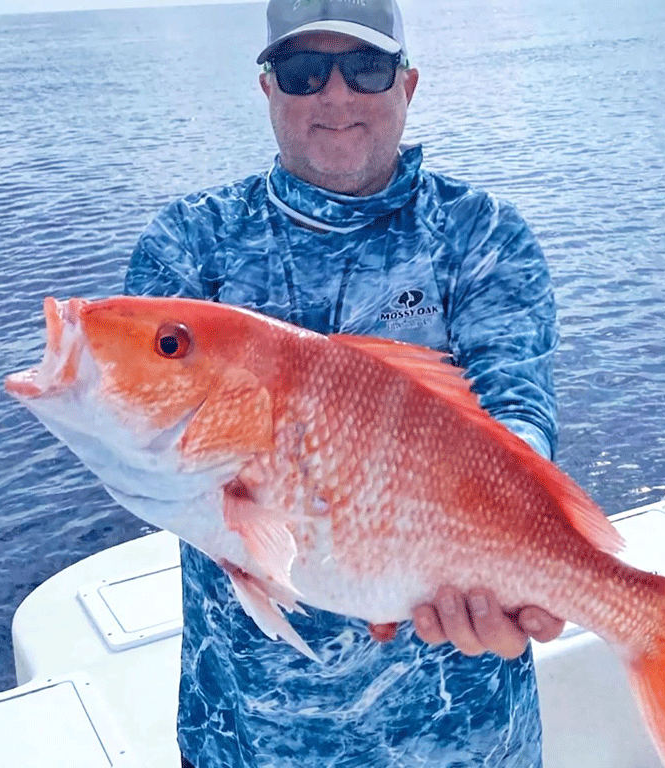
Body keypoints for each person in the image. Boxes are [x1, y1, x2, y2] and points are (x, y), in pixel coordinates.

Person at [124, 1, 565, 765]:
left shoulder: (484, 236)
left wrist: (498, 559)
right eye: (303, 71)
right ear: (268, 89)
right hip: (246, 736)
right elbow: (145, 437)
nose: (335, 96)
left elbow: (517, 413)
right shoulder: (189, 246)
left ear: (409, 84)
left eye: (364, 67)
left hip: (463, 736)